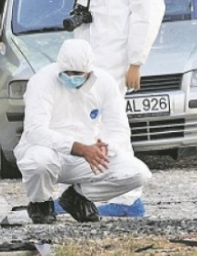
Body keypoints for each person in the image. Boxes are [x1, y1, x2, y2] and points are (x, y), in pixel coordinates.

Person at [69, 0, 165, 214]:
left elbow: (148, 6)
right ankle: (96, 194)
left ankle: (127, 199)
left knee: (111, 125)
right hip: (90, 59)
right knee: (90, 125)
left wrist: (136, 60)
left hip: (117, 56)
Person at [15, 39, 151, 224]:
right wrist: (78, 148)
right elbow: (35, 130)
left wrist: (106, 147)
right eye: (67, 73)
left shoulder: (105, 82)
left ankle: (77, 197)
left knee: (138, 173)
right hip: (49, 151)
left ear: (89, 71)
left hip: (87, 157)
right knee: (39, 161)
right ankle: (40, 203)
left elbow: (119, 128)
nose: (72, 77)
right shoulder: (42, 80)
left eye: (78, 74)